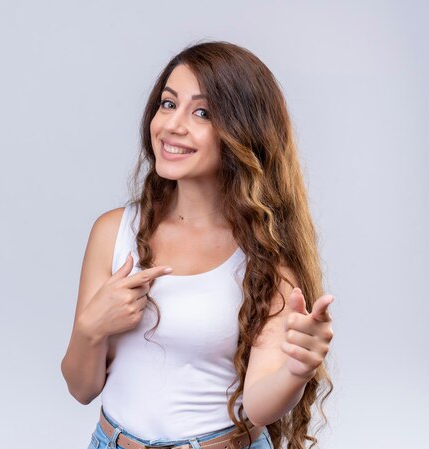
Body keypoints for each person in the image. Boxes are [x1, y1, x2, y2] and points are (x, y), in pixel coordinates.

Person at [61, 41, 334, 449]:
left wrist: (297, 369)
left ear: (243, 131)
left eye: (202, 112)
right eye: (168, 104)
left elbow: (259, 407)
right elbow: (81, 388)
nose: (172, 125)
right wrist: (91, 327)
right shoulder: (113, 232)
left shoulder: (265, 258)